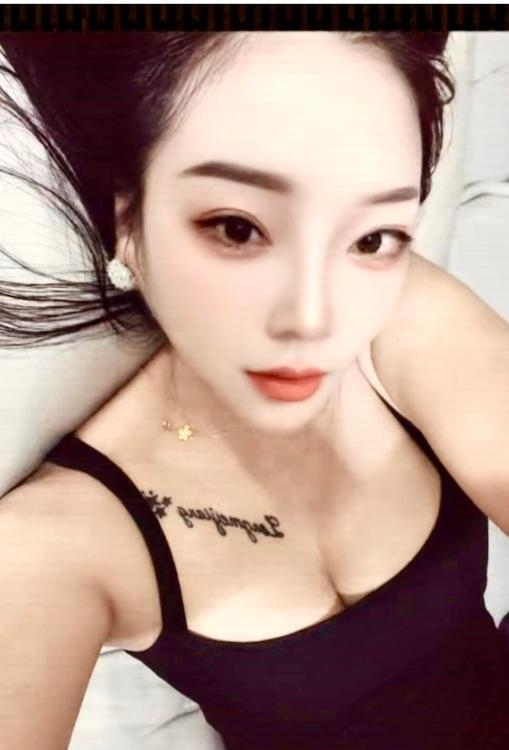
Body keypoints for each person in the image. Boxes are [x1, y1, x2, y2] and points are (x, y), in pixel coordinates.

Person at [0, 30, 508, 750]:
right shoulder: (57, 541)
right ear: (129, 227)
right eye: (237, 229)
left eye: (369, 237)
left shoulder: (398, 316)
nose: (312, 316)